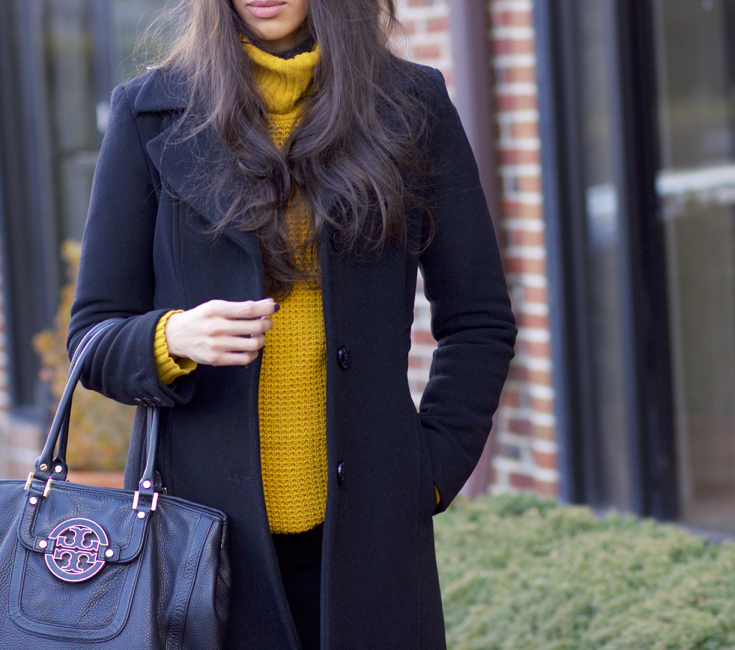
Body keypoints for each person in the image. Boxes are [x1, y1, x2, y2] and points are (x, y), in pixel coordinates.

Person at [67, 0, 517, 647]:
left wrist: (430, 471)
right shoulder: (148, 112)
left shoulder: (411, 104)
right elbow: (92, 336)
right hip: (199, 541)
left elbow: (477, 319)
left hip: (369, 534)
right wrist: (171, 339)